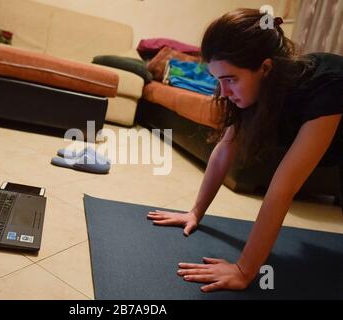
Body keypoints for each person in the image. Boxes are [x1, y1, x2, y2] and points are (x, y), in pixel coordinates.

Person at [147, 8, 343, 292]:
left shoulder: (326, 89)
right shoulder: (251, 92)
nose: (223, 91)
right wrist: (195, 213)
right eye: (218, 80)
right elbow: (224, 150)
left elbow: (282, 189)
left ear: (264, 68)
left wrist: (244, 270)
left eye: (231, 79)